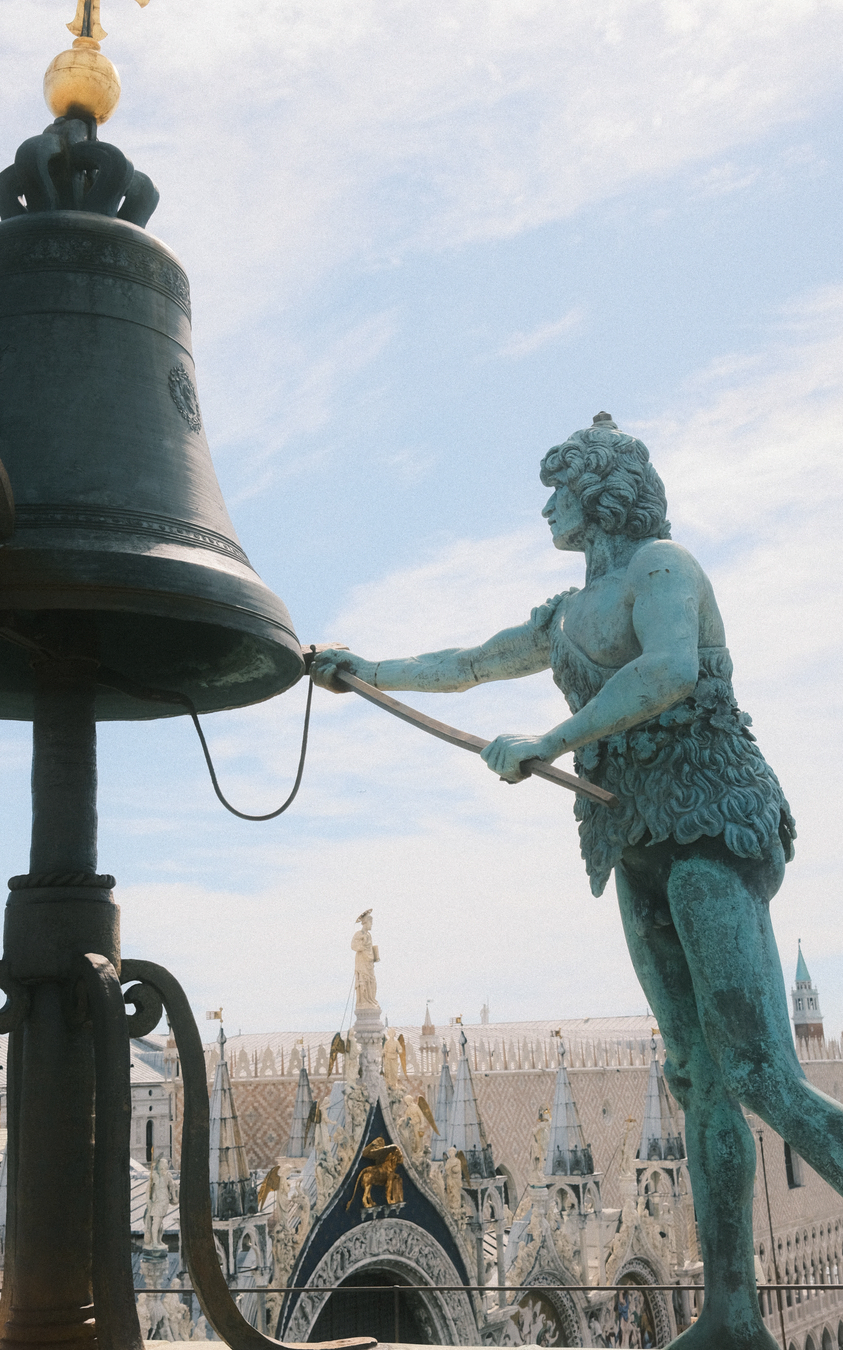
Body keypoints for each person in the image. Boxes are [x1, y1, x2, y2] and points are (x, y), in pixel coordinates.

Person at [313, 412, 843, 1350]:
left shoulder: (662, 570)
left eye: (559, 491)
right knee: (699, 1079)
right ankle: (730, 1315)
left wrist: (549, 742)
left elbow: (672, 672)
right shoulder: (564, 615)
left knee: (764, 1074)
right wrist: (371, 672)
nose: (548, 509)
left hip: (709, 819)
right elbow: (473, 665)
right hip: (634, 835)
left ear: (600, 495)